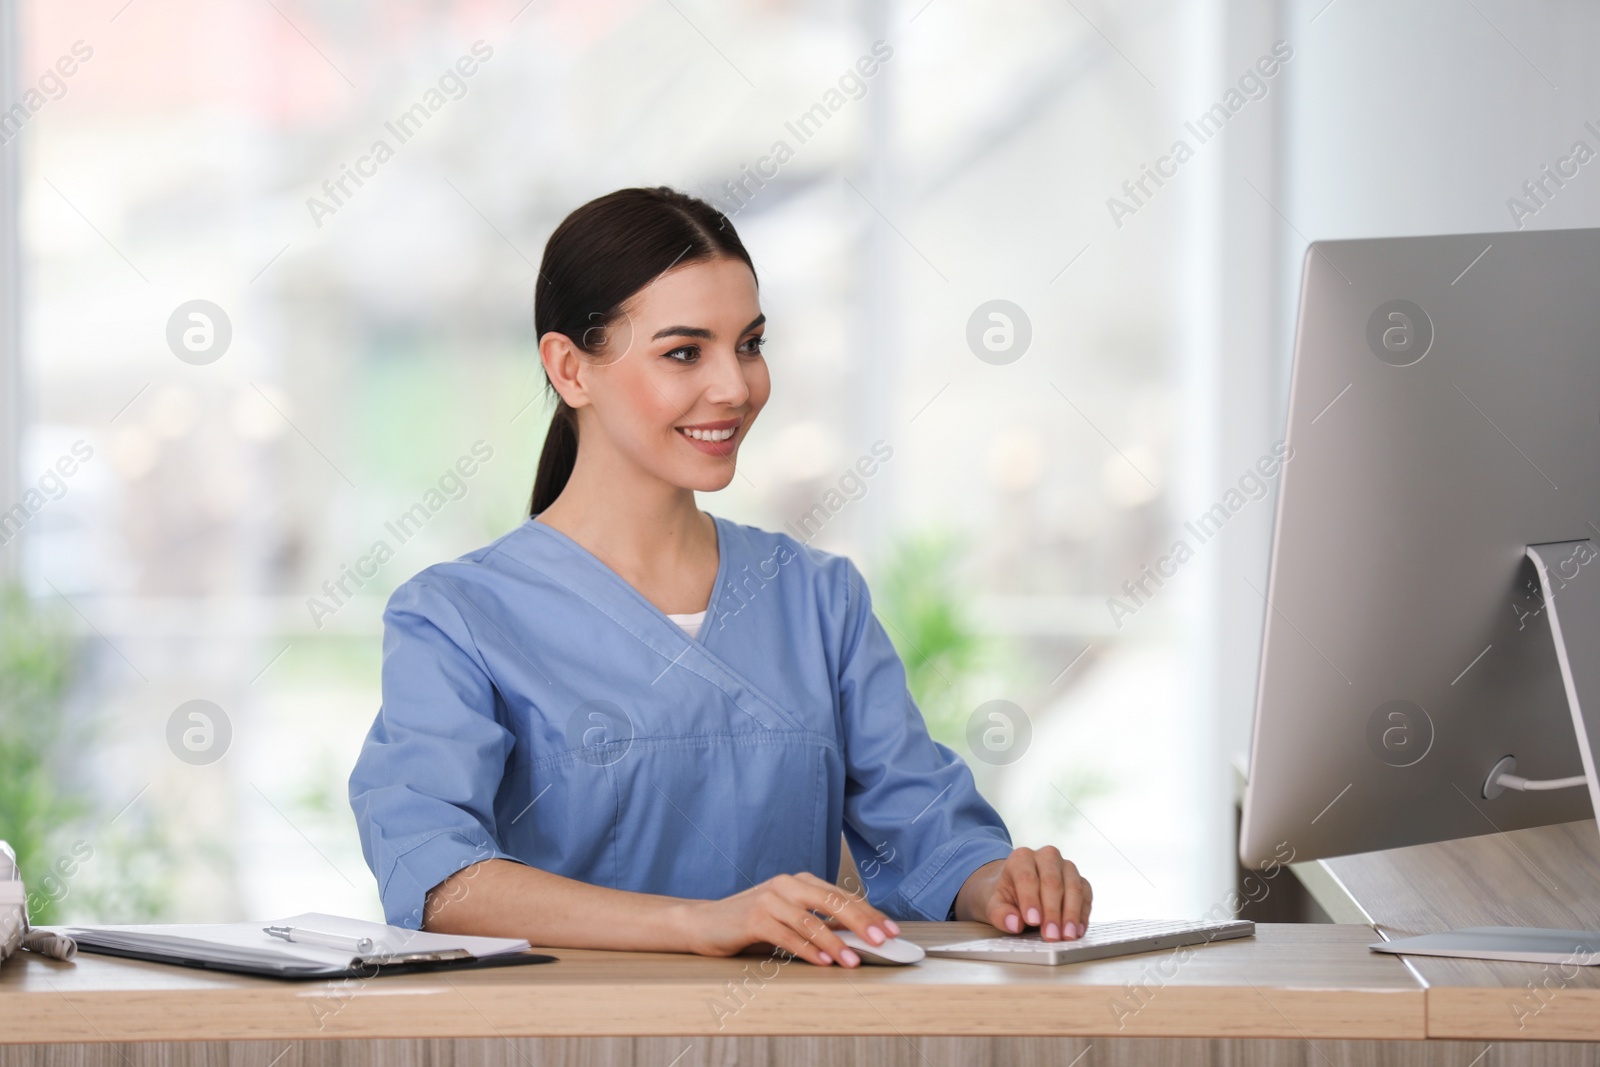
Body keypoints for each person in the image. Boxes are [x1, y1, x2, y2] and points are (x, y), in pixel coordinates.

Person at [348, 186, 1091, 968]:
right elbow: (438, 879)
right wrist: (696, 923)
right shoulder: (458, 617)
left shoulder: (817, 599)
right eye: (683, 352)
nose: (735, 387)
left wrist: (999, 883)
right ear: (570, 369)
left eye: (749, 343)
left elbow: (929, 831)